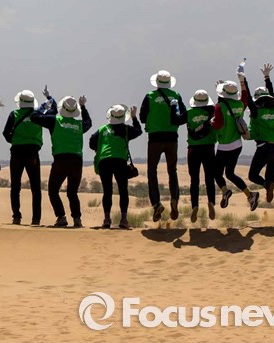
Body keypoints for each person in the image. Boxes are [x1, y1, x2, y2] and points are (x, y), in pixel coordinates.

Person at [31, 87, 92, 228]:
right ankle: (77, 219)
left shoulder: (55, 120)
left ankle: (61, 217)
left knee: (53, 191)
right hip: (77, 161)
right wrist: (83, 107)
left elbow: (34, 117)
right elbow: (88, 122)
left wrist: (44, 106)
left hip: (61, 160)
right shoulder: (79, 125)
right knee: (72, 193)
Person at [139, 70, 187, 222]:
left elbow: (142, 118)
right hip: (172, 137)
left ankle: (156, 204)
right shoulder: (176, 95)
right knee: (172, 171)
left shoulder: (150, 96)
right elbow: (184, 115)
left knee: (152, 171)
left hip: (155, 138)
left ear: (157, 83)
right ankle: (174, 199)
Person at [89, 104, 142, 229]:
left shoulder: (102, 129)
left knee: (107, 191)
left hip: (104, 161)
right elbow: (139, 131)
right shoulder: (126, 129)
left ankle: (107, 219)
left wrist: (100, 148)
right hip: (120, 161)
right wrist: (134, 118)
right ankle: (123, 219)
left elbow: (91, 142)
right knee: (123, 190)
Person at [212, 76, 260, 211]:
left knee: (217, 173)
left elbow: (218, 124)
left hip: (224, 146)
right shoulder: (240, 105)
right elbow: (245, 96)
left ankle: (225, 191)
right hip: (237, 145)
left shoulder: (219, 106)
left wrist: (211, 123)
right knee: (230, 174)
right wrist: (242, 82)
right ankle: (250, 195)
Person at [244, 63, 274, 205]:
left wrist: (243, 81)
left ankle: (268, 186)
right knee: (270, 177)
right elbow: (272, 96)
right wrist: (267, 78)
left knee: (253, 175)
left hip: (263, 148)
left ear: (258, 100)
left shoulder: (257, 112)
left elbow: (248, 99)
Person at [3, 90, 43, 225]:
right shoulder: (38, 115)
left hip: (17, 152)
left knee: (15, 186)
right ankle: (36, 219)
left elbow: (5, 133)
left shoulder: (14, 114)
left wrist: (14, 141)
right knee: (35, 187)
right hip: (32, 152)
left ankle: (16, 216)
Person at [185, 90, 217, 222]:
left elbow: (176, 119)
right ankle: (211, 202)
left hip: (193, 149)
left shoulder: (189, 113)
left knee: (194, 180)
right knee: (210, 178)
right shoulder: (212, 113)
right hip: (208, 148)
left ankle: (195, 206)